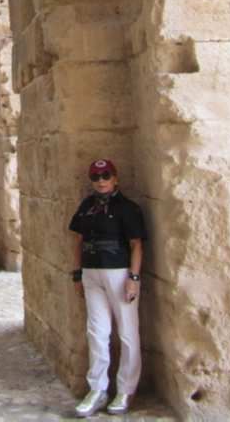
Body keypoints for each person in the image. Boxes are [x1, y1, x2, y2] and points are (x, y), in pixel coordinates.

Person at [67, 158, 147, 417]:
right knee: (97, 331)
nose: (101, 181)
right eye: (96, 177)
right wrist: (77, 274)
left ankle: (125, 389)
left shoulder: (128, 208)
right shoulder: (87, 207)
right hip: (92, 274)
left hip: (118, 273)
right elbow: (78, 240)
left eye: (105, 176)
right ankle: (98, 388)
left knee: (126, 332)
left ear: (115, 178)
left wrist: (133, 278)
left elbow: (136, 244)